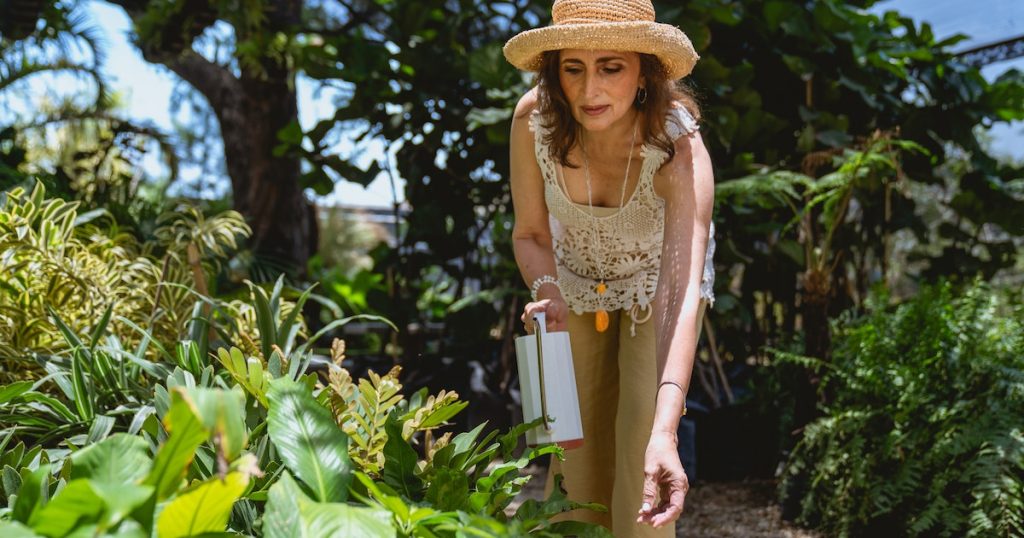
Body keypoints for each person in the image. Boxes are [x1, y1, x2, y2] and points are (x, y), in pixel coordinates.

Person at [503, 0, 716, 536]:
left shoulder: (677, 145)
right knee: (573, 463)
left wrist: (666, 433)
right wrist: (547, 290)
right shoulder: (534, 120)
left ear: (644, 70)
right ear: (555, 72)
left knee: (640, 458)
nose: (589, 90)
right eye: (573, 68)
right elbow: (529, 234)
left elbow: (680, 293)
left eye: (611, 67)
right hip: (572, 284)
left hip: (656, 289)